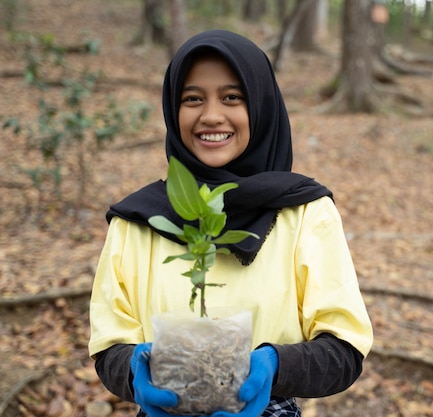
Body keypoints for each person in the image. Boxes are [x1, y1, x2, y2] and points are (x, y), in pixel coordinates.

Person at [88, 29, 373, 417]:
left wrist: (274, 367)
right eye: (192, 99)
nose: (211, 115)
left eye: (232, 97)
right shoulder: (138, 220)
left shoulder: (306, 213)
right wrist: (134, 371)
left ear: (260, 104)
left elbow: (345, 349)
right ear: (174, 110)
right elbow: (109, 347)